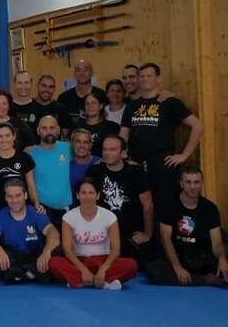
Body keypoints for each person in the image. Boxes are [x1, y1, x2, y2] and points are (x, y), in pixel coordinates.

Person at [120, 63, 203, 205]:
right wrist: (124, 156)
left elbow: (198, 126)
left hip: (163, 164)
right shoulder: (131, 106)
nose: (145, 79)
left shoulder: (170, 102)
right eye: (142, 76)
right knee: (139, 206)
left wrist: (184, 155)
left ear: (158, 78)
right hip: (137, 163)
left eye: (149, 75)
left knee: (166, 205)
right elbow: (123, 134)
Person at [49, 178, 138, 290]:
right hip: (79, 261)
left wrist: (103, 270)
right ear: (77, 195)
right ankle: (104, 281)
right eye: (83, 193)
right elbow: (68, 251)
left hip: (103, 261)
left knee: (131, 265)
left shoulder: (109, 217)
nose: (87, 196)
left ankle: (80, 280)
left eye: (91, 193)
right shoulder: (68, 217)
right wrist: (83, 270)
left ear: (97, 195)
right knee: (53, 262)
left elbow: (115, 250)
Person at [146, 167, 228, 287]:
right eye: (188, 182)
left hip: (201, 257)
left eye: (196, 182)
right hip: (178, 256)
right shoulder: (169, 205)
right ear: (181, 184)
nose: (192, 186)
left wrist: (222, 259)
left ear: (202, 183)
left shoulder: (210, 208)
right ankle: (204, 280)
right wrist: (177, 267)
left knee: (223, 264)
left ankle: (197, 278)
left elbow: (217, 242)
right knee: (154, 270)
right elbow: (165, 240)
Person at [0, 179, 59, 284]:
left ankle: (18, 275)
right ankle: (29, 274)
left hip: (35, 257)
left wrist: (46, 251)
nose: (14, 200)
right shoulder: (0, 216)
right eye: (10, 196)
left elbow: (53, 232)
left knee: (56, 249)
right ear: (5, 198)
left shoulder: (36, 213)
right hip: (12, 258)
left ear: (25, 195)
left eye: (18, 195)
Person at [85, 135, 154, 267]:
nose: (107, 153)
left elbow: (148, 205)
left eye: (112, 149)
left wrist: (147, 234)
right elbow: (86, 201)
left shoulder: (135, 172)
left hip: (130, 237)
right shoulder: (94, 171)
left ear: (123, 153)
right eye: (105, 149)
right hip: (102, 236)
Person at [0, 124, 38, 215]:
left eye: (7, 135)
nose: (4, 140)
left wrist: (36, 204)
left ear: (14, 136)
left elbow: (31, 186)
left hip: (21, 209)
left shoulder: (25, 158)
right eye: (0, 136)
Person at [28, 116, 72, 227]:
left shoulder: (68, 148)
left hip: (67, 209)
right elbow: (30, 184)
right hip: (43, 209)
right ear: (38, 131)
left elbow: (85, 157)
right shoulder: (30, 154)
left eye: (52, 128)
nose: (49, 131)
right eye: (44, 128)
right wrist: (36, 204)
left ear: (58, 129)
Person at [57, 59, 107, 125]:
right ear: (74, 74)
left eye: (85, 70)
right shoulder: (63, 98)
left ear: (91, 73)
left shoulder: (101, 94)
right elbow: (62, 125)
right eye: (78, 70)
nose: (82, 73)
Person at [75, 93, 120, 158]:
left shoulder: (112, 127)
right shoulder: (77, 126)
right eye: (87, 104)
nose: (90, 106)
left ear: (101, 106)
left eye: (94, 103)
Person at [69, 128, 99, 199]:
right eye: (78, 141)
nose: (81, 146)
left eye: (85, 142)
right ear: (71, 143)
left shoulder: (99, 163)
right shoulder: (65, 164)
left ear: (90, 145)